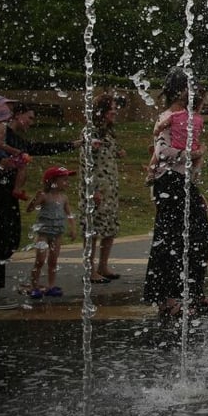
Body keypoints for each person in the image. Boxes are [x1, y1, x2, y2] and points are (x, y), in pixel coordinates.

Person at [0, 99, 85, 309]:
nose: (31, 122)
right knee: (0, 240)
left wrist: (74, 144)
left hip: (1, 193)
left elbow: (37, 148)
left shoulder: (14, 139)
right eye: (30, 117)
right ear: (18, 115)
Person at [141, 69, 208, 319]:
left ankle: (193, 291)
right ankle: (168, 298)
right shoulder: (167, 116)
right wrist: (192, 155)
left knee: (201, 235)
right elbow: (162, 152)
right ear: (180, 90)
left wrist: (196, 187)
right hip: (168, 182)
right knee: (171, 240)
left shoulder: (190, 117)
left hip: (183, 182)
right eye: (190, 88)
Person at [87, 93, 125, 283]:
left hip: (110, 187)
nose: (115, 111)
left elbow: (105, 153)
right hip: (96, 188)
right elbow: (87, 162)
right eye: (112, 108)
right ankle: (90, 269)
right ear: (101, 111)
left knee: (109, 227)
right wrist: (92, 190)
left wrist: (118, 153)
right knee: (93, 230)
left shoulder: (108, 132)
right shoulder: (91, 131)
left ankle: (103, 265)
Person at [26, 166, 77, 298]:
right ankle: (34, 286)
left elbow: (69, 214)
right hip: (43, 233)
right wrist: (34, 199)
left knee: (53, 261)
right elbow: (30, 209)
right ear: (52, 180)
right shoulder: (44, 196)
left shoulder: (64, 198)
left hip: (57, 234)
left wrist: (73, 228)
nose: (67, 182)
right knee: (40, 261)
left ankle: (51, 285)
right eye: (64, 180)